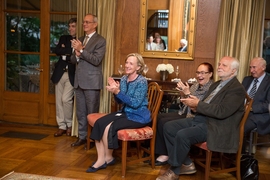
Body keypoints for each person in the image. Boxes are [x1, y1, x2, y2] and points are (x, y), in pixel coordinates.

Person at [156, 56, 246, 180]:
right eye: (219, 64)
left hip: (216, 125)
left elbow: (221, 112)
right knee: (168, 127)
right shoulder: (217, 84)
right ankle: (187, 163)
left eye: (224, 65)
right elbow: (205, 103)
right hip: (202, 118)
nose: (219, 67)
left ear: (233, 70)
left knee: (183, 135)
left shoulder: (237, 89)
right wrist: (194, 105)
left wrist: (198, 104)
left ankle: (174, 170)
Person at [86, 53, 151, 173]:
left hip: (138, 116)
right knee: (100, 123)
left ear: (138, 67)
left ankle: (108, 158)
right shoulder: (124, 79)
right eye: (126, 62)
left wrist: (118, 91)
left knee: (109, 126)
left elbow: (135, 103)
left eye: (131, 63)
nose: (127, 65)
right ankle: (101, 159)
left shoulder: (142, 81)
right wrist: (115, 92)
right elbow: (120, 101)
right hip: (125, 112)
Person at [154, 62, 214, 168]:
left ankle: (172, 156)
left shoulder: (212, 89)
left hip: (193, 116)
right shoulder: (195, 85)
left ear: (210, 74)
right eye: (198, 72)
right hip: (184, 111)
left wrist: (187, 94)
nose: (199, 75)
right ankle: (164, 152)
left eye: (203, 73)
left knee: (166, 123)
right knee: (159, 117)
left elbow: (199, 105)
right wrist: (182, 94)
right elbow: (186, 101)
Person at [70, 14, 106, 147]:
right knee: (80, 112)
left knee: (92, 113)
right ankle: (82, 137)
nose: (84, 24)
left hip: (92, 82)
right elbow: (73, 60)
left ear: (95, 24)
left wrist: (81, 51)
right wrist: (77, 55)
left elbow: (96, 60)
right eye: (83, 22)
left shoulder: (100, 40)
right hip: (79, 81)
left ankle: (92, 140)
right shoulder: (80, 39)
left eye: (87, 22)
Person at [51, 17, 77, 137]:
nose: (70, 28)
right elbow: (56, 50)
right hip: (60, 73)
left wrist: (66, 51)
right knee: (59, 101)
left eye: (73, 26)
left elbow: (75, 55)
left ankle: (70, 125)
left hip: (72, 74)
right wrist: (70, 51)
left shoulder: (80, 40)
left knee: (66, 100)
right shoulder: (64, 38)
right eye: (69, 26)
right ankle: (61, 126)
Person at [242, 57, 270, 151]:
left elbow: (268, 104)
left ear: (263, 67)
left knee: (241, 127)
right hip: (242, 111)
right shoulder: (246, 80)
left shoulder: (269, 82)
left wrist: (250, 108)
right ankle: (225, 153)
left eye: (254, 67)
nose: (251, 70)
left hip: (260, 115)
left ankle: (237, 156)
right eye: (250, 67)